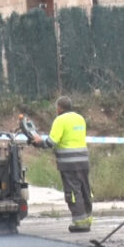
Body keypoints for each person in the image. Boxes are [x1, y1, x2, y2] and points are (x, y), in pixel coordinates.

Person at [31, 96, 94, 233]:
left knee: (73, 192)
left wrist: (38, 141)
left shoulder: (60, 120)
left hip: (68, 163)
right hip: (83, 161)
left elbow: (51, 142)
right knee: (85, 190)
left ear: (59, 108)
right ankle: (87, 219)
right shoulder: (80, 118)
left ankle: (79, 223)